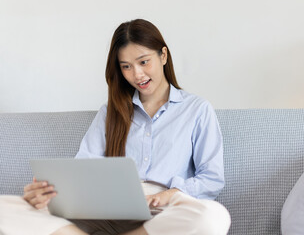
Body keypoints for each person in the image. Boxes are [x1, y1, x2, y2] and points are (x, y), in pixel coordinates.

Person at [0, 19, 230, 235]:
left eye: (143, 61)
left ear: (163, 55)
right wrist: (47, 194)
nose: (137, 74)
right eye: (126, 66)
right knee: (5, 207)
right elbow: (84, 169)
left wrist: (170, 194)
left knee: (214, 216)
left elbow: (211, 179)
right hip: (105, 207)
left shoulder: (197, 109)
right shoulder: (110, 112)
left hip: (164, 210)